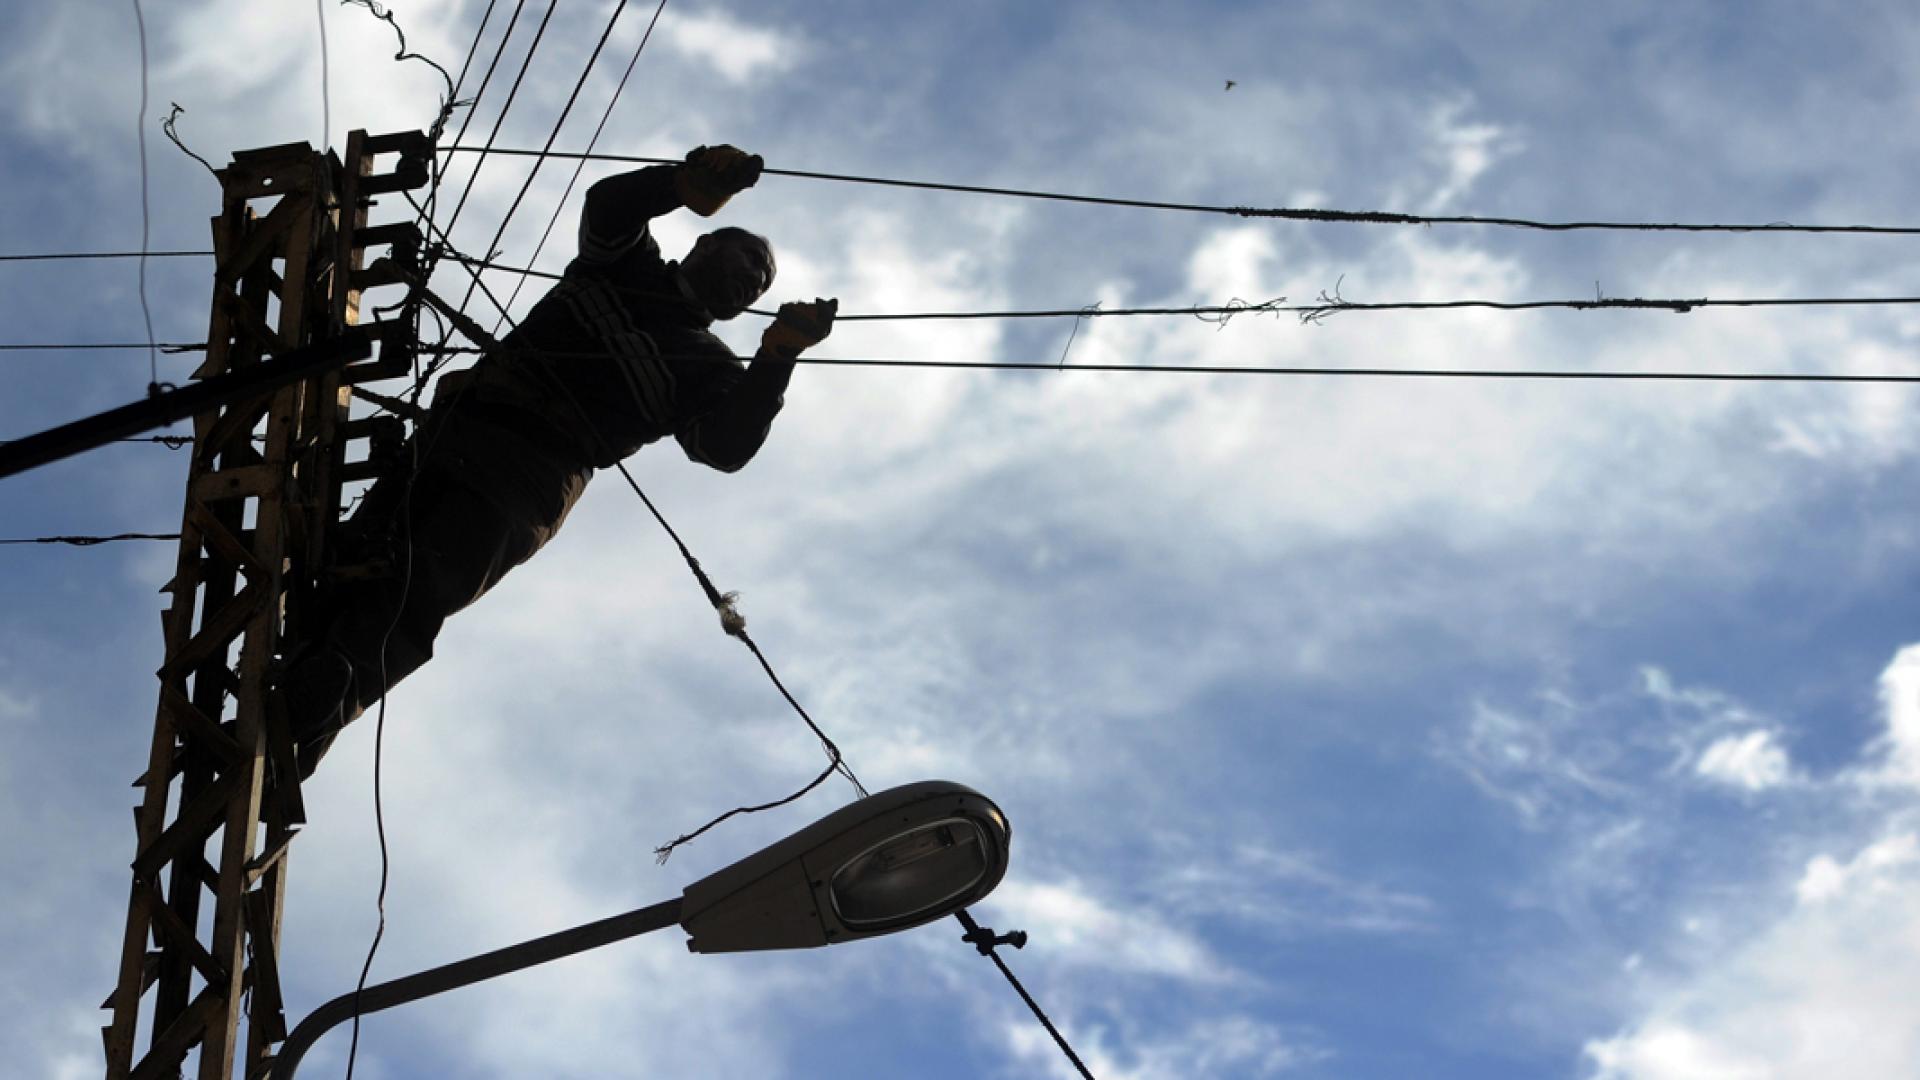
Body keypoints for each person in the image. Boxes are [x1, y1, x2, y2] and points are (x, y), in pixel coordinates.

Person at [277, 144, 836, 777]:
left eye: (762, 283)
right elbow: (609, 208)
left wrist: (777, 356)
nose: (754, 281)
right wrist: (684, 185)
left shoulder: (710, 369)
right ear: (704, 244)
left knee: (419, 589)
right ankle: (288, 707)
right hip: (462, 429)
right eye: (749, 261)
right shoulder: (624, 265)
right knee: (352, 560)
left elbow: (725, 447)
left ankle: (313, 710)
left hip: (528, 480)